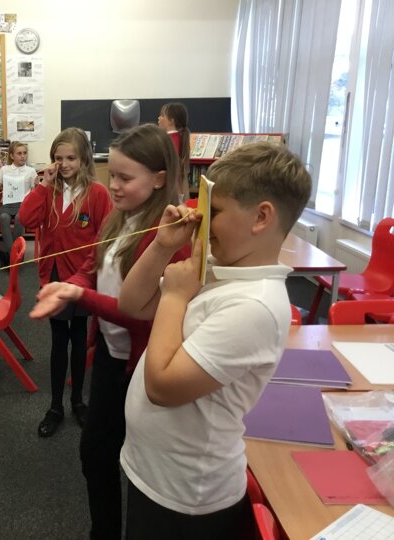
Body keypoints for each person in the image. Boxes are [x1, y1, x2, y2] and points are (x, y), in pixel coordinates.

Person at [118, 142, 312, 539]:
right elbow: (132, 304)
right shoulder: (221, 269)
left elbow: (162, 387)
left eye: (215, 211)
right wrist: (162, 246)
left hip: (188, 495)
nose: (200, 219)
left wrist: (175, 298)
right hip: (158, 473)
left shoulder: (255, 305)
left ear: (261, 217)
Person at [29, 124, 191, 539]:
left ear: (159, 179)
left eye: (125, 177)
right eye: (112, 175)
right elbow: (92, 266)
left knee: (141, 463)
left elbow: (146, 315)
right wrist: (72, 286)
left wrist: (78, 296)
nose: (114, 185)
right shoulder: (120, 219)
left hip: (143, 365)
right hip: (109, 355)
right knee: (95, 452)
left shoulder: (171, 236)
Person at [19, 127, 112, 438]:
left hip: (82, 277)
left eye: (71, 158)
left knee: (79, 337)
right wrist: (44, 185)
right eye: (59, 158)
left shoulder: (97, 193)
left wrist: (92, 274)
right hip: (55, 275)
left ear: (84, 159)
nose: (65, 164)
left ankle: (77, 401)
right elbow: (26, 219)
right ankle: (56, 405)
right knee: (59, 340)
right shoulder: (49, 191)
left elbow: (105, 236)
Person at [0, 141, 37, 266]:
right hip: (7, 204)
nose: (23, 156)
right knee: (4, 217)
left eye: (24, 153)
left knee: (19, 217)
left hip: (23, 205)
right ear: (12, 156)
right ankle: (14, 253)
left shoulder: (31, 171)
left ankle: (11, 255)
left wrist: (37, 185)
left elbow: (35, 193)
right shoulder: (4, 169)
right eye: (19, 153)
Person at [158, 102, 191, 201]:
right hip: (175, 190)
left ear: (171, 121)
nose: (159, 118)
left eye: (162, 115)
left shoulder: (169, 140)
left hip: (170, 191)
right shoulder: (177, 138)